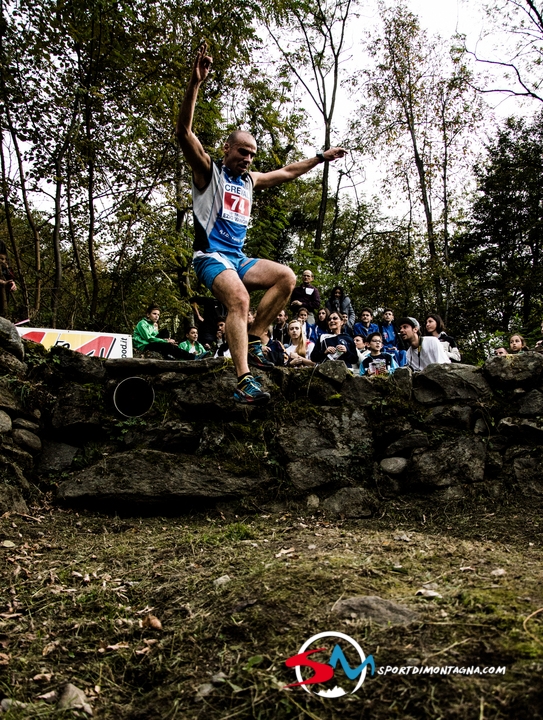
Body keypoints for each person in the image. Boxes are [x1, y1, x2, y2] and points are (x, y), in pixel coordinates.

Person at [177, 42, 347, 404]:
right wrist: (195, 84)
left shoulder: (251, 181)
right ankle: (243, 380)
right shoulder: (209, 172)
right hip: (210, 257)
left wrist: (321, 157)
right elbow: (184, 134)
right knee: (238, 298)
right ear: (227, 150)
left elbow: (286, 172)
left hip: (237, 258)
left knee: (286, 276)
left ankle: (254, 336)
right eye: (242, 152)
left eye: (252, 155)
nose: (247, 159)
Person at [0, 248, 17, 317]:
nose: (2, 261)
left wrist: (12, 283)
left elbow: (11, 278)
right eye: (1, 259)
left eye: (3, 259)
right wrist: (3, 283)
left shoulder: (6, 269)